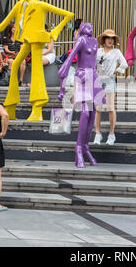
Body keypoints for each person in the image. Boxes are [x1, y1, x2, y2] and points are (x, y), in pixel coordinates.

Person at [0, 0, 74, 121]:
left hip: (38, 39)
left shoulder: (40, 4)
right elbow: (2, 26)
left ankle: (37, 109)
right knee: (15, 65)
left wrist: (55, 31)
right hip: (27, 40)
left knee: (36, 69)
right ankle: (11, 105)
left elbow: (69, 14)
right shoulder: (19, 5)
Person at [58, 23, 105, 168]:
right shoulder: (81, 40)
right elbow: (70, 59)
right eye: (86, 25)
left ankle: (85, 146)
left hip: (93, 76)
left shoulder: (94, 41)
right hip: (82, 76)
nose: (90, 27)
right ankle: (78, 147)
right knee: (85, 113)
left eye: (91, 25)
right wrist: (62, 86)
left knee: (92, 114)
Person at [93, 29, 128, 145]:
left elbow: (125, 64)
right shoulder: (98, 51)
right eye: (108, 38)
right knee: (98, 109)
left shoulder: (116, 52)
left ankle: (111, 134)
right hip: (98, 80)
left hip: (110, 81)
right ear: (103, 39)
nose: (110, 40)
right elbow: (92, 64)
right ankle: (97, 134)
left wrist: (116, 71)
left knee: (110, 108)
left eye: (112, 38)